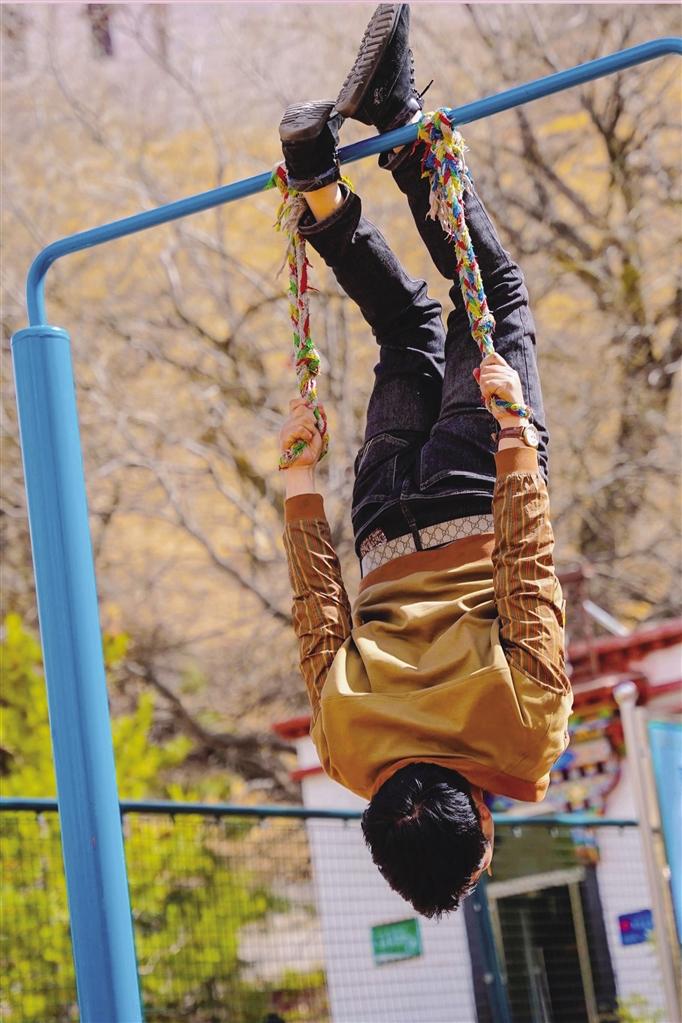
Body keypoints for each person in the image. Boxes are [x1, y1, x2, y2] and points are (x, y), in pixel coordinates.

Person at [278, 3, 572, 918]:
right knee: (405, 330)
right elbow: (318, 617)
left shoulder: (525, 742)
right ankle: (319, 188)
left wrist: (516, 444)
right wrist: (299, 486)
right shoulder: (346, 753)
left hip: (477, 493)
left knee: (497, 298)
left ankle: (400, 121)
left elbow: (528, 582)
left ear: (481, 825)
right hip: (379, 519)